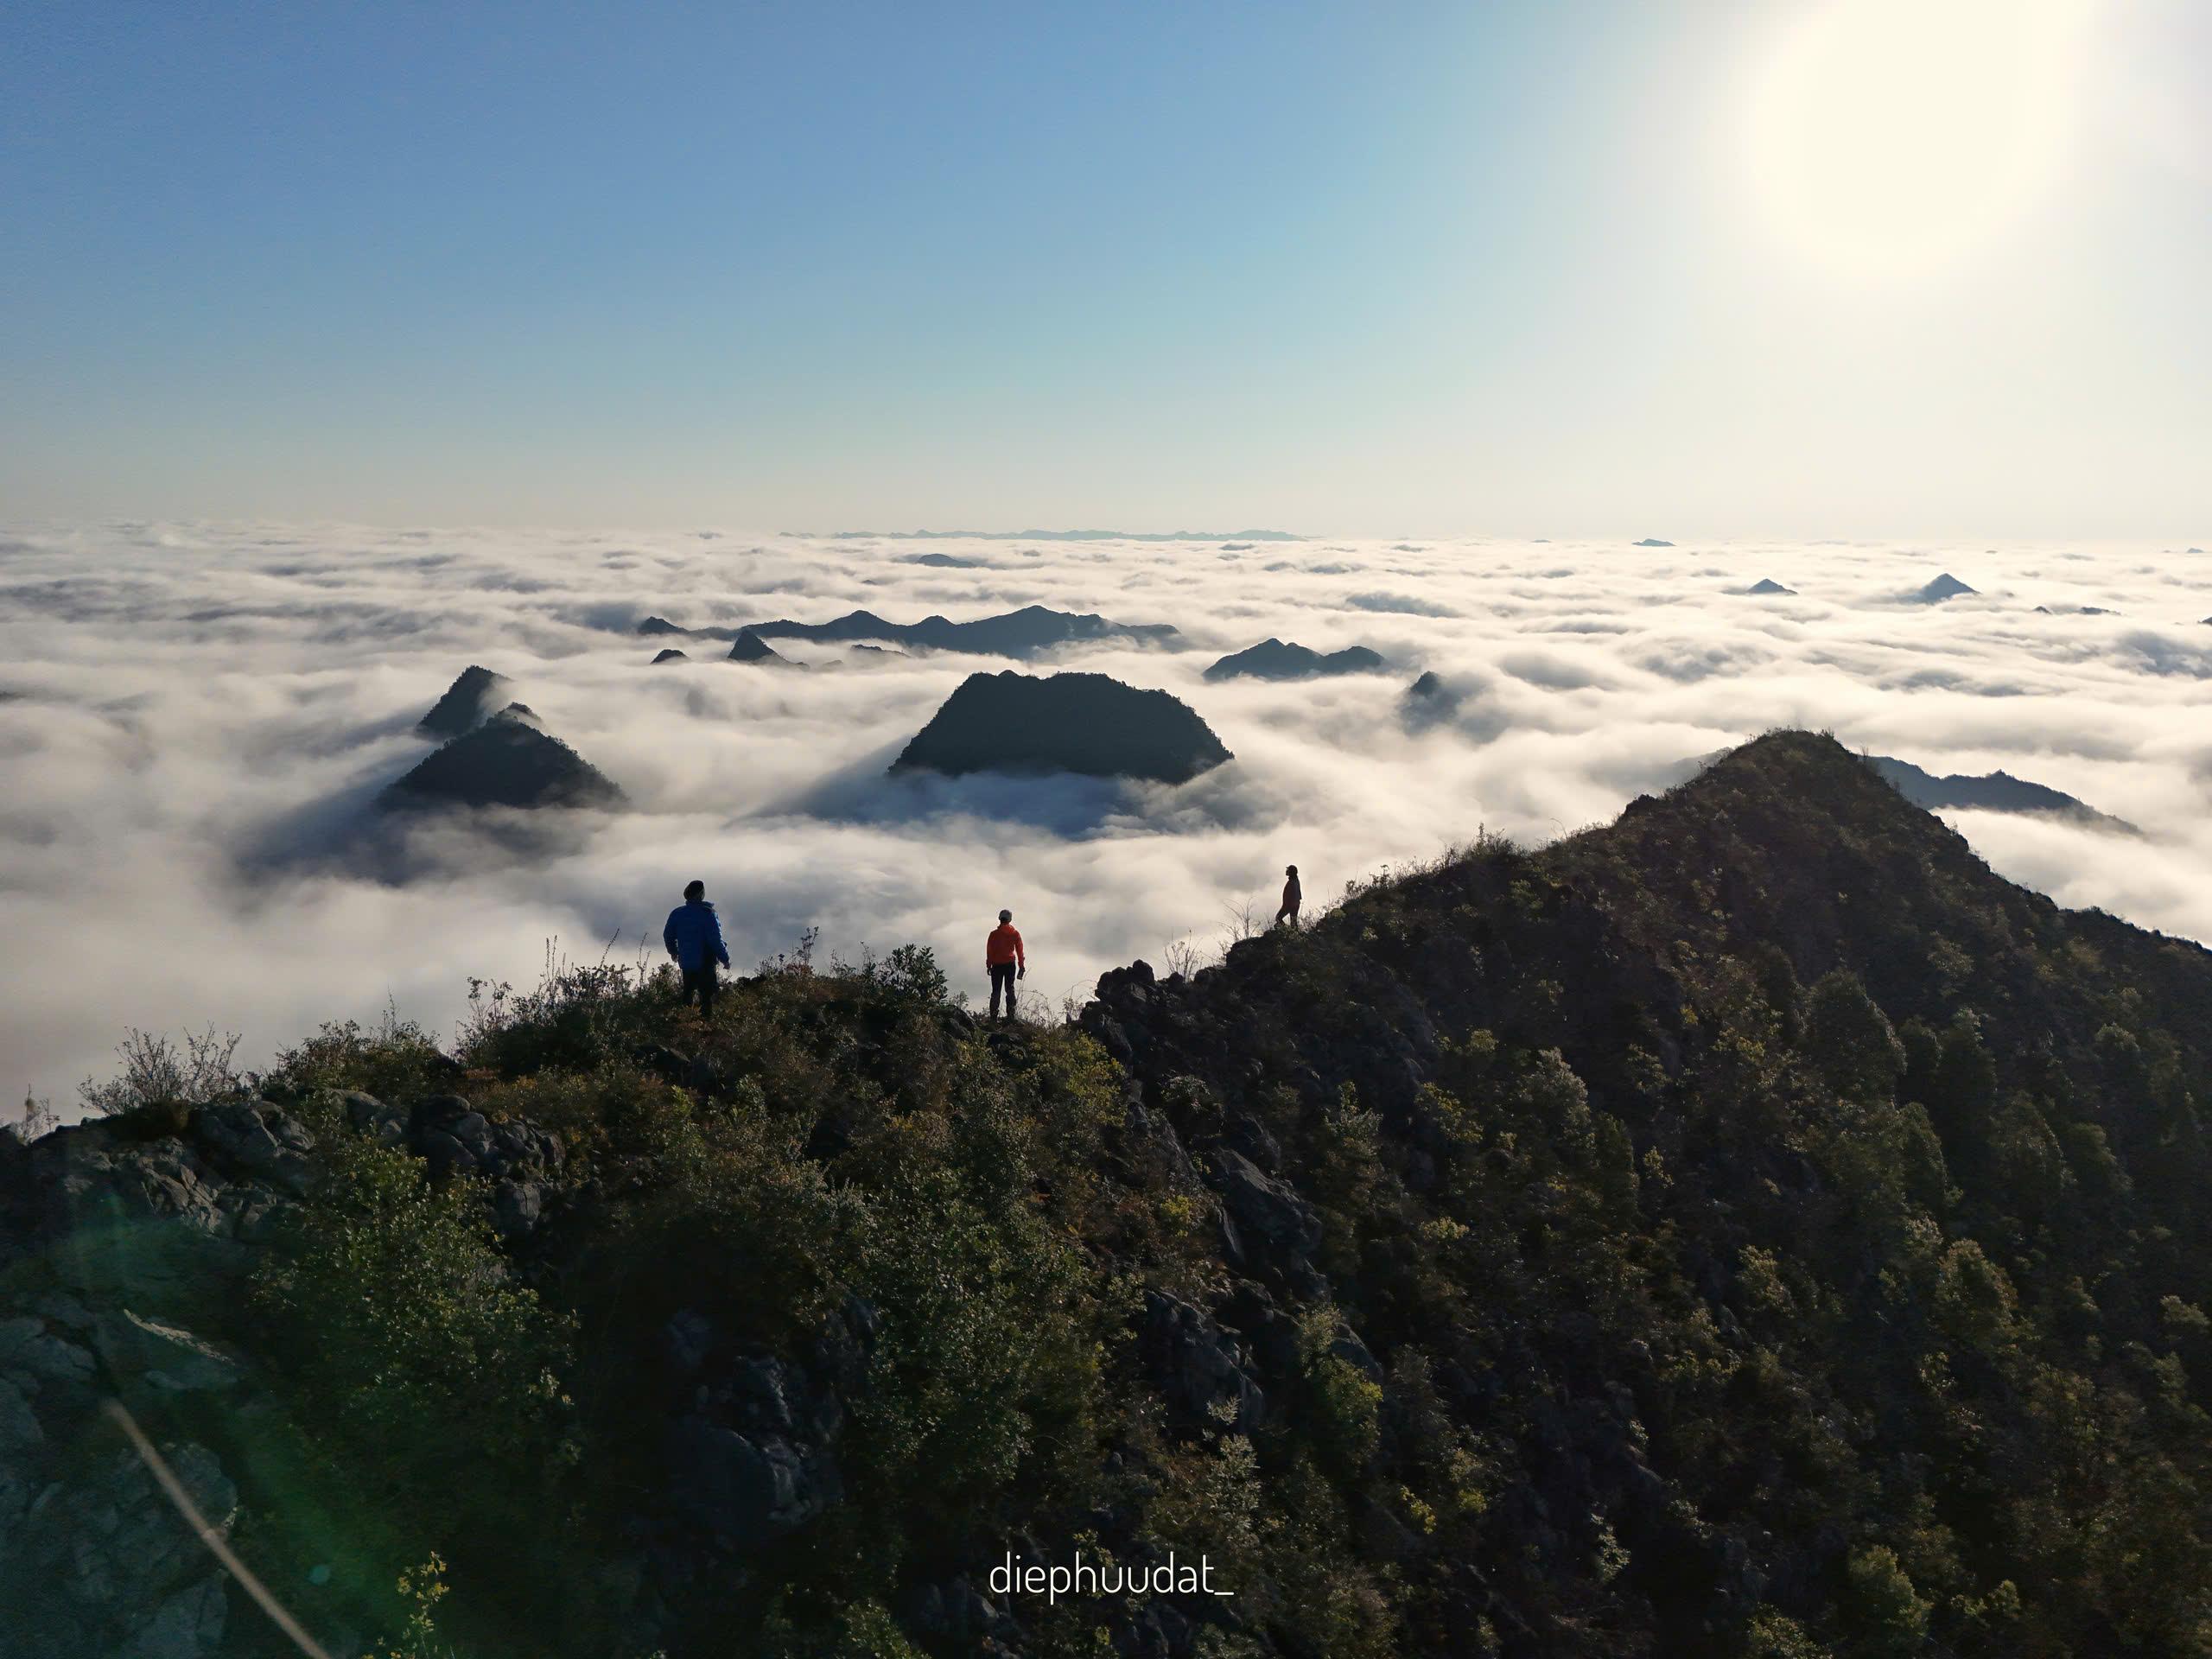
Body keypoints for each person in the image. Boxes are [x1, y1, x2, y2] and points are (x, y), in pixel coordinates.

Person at [664, 879, 732, 1018]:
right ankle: (705, 1026)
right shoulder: (708, 914)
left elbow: (668, 935)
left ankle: (685, 1024)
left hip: (686, 962)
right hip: (705, 962)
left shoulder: (677, 913)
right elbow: (715, 940)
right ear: (701, 894)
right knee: (707, 998)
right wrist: (725, 958)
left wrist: (673, 951)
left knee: (688, 995)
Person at [986, 908, 1026, 1020]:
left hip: (997, 966)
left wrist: (989, 965)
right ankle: (1011, 1015)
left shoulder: (994, 934)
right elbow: (1020, 951)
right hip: (1010, 965)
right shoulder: (1015, 934)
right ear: (1010, 920)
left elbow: (990, 951)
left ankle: (993, 1017)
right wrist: (1021, 965)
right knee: (1010, 989)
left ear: (999, 919)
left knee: (996, 991)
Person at [1275, 864, 1302, 928]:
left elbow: (1292, 895)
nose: (1286, 871)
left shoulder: (1292, 882)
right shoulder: (1295, 880)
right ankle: (1291, 931)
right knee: (1293, 922)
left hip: (1290, 905)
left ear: (1291, 872)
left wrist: (1286, 905)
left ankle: (1286, 931)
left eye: (1288, 870)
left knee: (1278, 918)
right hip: (1295, 904)